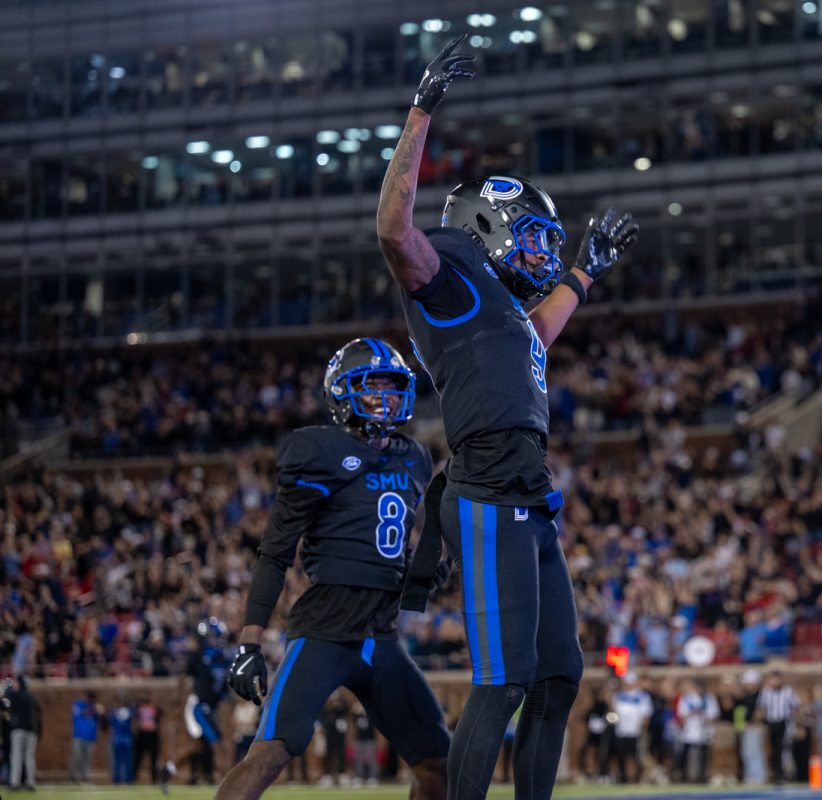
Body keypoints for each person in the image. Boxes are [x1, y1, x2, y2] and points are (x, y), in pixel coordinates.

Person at [376, 32, 637, 800]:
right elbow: (393, 231)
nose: (540, 253)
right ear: (486, 228)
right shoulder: (452, 278)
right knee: (503, 681)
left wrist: (587, 271)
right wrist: (421, 111)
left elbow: (540, 331)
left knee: (560, 676)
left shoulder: (507, 312)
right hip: (487, 491)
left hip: (529, 494)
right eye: (529, 235)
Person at [216, 338, 451, 800]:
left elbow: (387, 549)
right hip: (325, 628)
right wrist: (249, 642)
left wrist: (421, 577)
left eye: (392, 385)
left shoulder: (414, 457)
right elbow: (275, 552)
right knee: (271, 752)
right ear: (341, 394)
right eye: (371, 386)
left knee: (438, 762)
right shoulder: (317, 452)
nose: (384, 396)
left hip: (382, 635)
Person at [184, 617, 230, 784]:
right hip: (198, 705)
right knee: (215, 742)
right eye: (214, 637)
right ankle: (228, 779)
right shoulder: (199, 656)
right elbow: (184, 678)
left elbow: (223, 689)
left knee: (201, 745)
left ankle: (169, 768)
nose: (218, 640)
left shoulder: (223, 659)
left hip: (211, 706)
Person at [757, 669, 800, 783]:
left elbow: (796, 707)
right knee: (773, 750)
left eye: (776, 679)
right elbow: (762, 708)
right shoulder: (766, 692)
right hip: (771, 723)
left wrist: (797, 724)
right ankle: (776, 774)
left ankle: (786, 774)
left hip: (784, 723)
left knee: (784, 749)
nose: (774, 682)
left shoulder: (788, 691)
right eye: (772, 679)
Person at [7, 675, 39, 792]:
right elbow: (37, 712)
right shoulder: (31, 697)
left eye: (15, 682)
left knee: (16, 756)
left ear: (19, 683)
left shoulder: (15, 695)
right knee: (29, 757)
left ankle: (15, 783)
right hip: (32, 730)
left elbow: (9, 709)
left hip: (19, 729)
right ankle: (31, 783)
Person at [68, 691, 101, 783]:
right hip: (78, 735)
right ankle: (72, 776)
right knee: (76, 756)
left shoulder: (95, 708)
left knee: (87, 758)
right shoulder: (78, 704)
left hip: (90, 737)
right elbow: (80, 713)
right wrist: (92, 708)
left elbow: (102, 722)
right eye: (90, 698)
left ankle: (85, 776)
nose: (92, 700)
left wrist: (100, 712)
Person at [132, 698, 162, 783]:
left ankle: (154, 778)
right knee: (138, 757)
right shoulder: (139, 709)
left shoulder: (154, 709)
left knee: (154, 758)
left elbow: (160, 716)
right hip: (142, 734)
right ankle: (134, 776)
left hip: (152, 734)